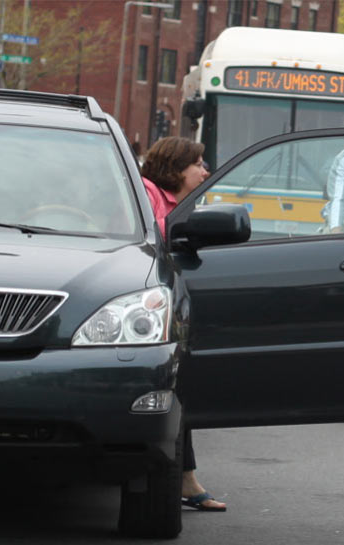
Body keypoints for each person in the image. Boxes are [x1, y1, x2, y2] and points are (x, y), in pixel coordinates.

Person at [141, 137, 227, 512]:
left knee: (181, 387)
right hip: (143, 314)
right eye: (199, 164)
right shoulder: (146, 193)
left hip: (166, 307)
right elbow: (150, 240)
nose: (205, 171)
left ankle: (185, 477)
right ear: (175, 168)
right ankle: (184, 478)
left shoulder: (180, 202)